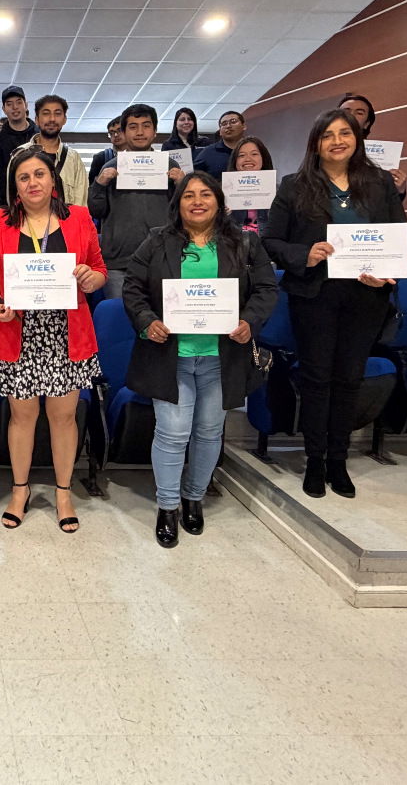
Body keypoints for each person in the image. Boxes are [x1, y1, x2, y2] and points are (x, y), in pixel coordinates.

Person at [122, 171, 277, 546]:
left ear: (219, 202)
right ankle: (168, 505)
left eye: (205, 194)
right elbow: (132, 287)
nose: (197, 201)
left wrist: (249, 322)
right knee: (173, 432)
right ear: (178, 204)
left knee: (209, 432)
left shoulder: (245, 243)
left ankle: (194, 498)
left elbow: (266, 289)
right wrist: (147, 322)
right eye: (188, 195)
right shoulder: (157, 241)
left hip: (221, 358)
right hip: (170, 355)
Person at [262, 108, 407, 500]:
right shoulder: (294, 186)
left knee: (349, 378)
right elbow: (271, 241)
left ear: (357, 138)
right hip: (315, 295)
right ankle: (315, 459)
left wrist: (386, 270)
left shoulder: (379, 183)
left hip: (367, 295)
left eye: (345, 133)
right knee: (317, 378)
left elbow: (399, 234)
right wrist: (304, 254)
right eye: (327, 135)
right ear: (316, 144)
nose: (337, 141)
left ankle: (338, 460)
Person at [0, 147, 107, 534]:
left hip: (66, 333)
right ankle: (20, 490)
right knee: (22, 417)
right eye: (23, 177)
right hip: (18, 331)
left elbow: (99, 270)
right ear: (14, 187)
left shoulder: (80, 218)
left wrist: (91, 278)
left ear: (53, 181)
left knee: (64, 418)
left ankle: (64, 494)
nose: (32, 182)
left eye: (39, 174)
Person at [89, 103, 185, 298]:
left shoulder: (170, 166)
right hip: (119, 262)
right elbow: (96, 211)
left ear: (155, 131)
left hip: (162, 259)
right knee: (119, 314)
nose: (140, 132)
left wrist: (183, 185)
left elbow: (184, 213)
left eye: (146, 126)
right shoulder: (110, 167)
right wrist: (99, 184)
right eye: (133, 127)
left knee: (162, 315)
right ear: (124, 132)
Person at [24, 94, 89, 207]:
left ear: (64, 119)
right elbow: (13, 199)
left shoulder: (74, 159)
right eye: (46, 113)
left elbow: (81, 202)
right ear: (37, 120)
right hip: (31, 218)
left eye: (57, 113)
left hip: (66, 218)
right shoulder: (21, 154)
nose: (52, 119)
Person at [338, 92, 406, 195]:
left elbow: (389, 201)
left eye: (359, 113)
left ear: (367, 123)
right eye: (346, 111)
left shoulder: (378, 156)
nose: (351, 115)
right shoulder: (322, 150)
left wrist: (399, 190)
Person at [227, 136, 275, 234]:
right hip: (233, 240)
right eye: (241, 155)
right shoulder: (221, 191)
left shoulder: (279, 190)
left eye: (254, 154)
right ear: (235, 161)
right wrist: (220, 214)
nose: (248, 159)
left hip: (266, 241)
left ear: (263, 158)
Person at [0, 85, 33, 181]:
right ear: (4, 109)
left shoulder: (39, 135)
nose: (15, 107)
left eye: (19, 102)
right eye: (9, 104)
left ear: (26, 105)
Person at [194, 110, 247, 176]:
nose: (228, 126)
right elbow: (193, 176)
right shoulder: (208, 152)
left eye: (233, 121)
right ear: (220, 131)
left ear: (244, 126)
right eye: (224, 124)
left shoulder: (254, 149)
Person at [88, 117, 127, 190]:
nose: (115, 135)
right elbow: (91, 188)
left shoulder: (140, 156)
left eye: (119, 131)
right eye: (111, 133)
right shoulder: (100, 157)